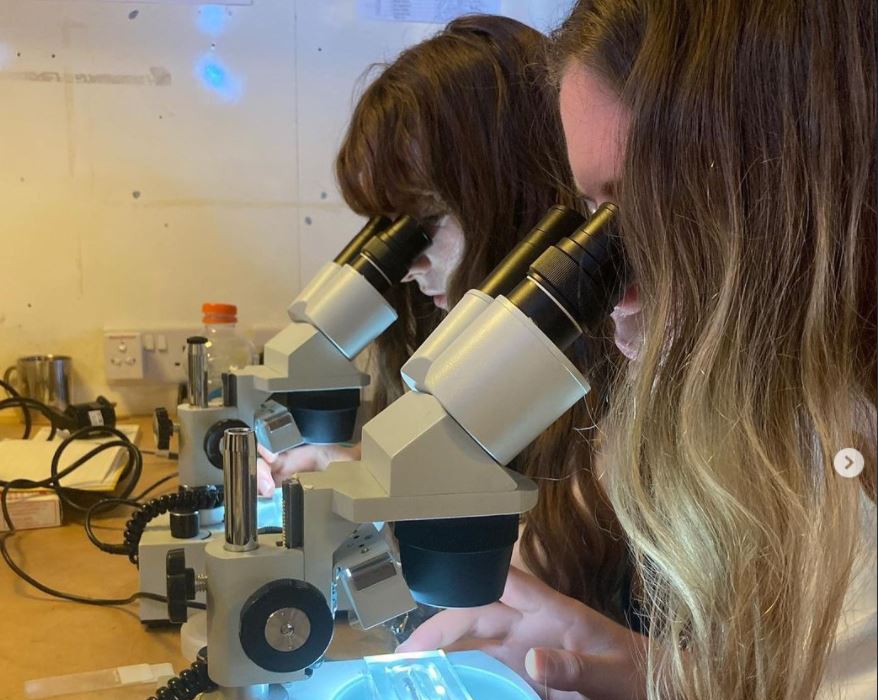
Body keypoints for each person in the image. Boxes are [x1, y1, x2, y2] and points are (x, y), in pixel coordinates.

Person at [399, 1, 877, 700]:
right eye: (596, 223)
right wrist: (648, 676)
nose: (615, 299)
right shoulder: (807, 422)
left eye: (649, 212)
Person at [258, 14, 631, 617]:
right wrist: (357, 470)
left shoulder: (624, 403)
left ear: (516, 197)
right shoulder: (440, 351)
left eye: (421, 226)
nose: (405, 266)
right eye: (390, 232)